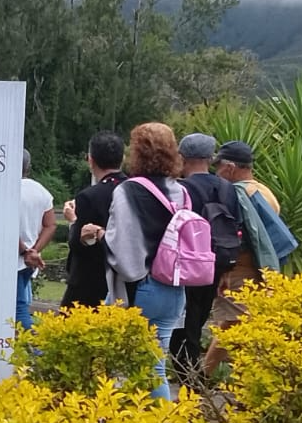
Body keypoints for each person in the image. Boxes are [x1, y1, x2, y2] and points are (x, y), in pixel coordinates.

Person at [104, 122, 187, 401]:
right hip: (175, 285)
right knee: (154, 361)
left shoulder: (128, 190)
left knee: (149, 367)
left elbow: (122, 244)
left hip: (144, 285)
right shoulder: (182, 191)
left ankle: (164, 416)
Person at [203, 140, 281, 377]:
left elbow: (236, 237)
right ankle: (244, 383)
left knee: (230, 327)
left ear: (230, 167)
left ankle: (198, 381)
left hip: (239, 270)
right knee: (245, 330)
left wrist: (224, 272)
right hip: (262, 270)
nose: (218, 172)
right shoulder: (263, 191)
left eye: (219, 167)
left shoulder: (238, 194)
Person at [169, 133, 240, 385]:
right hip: (218, 262)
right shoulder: (227, 188)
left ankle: (188, 379)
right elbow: (236, 225)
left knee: (183, 322)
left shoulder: (181, 188)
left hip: (188, 264)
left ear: (182, 157)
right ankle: (191, 376)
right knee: (197, 320)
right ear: (211, 158)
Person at [60, 131, 126, 309]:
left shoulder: (89, 196)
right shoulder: (132, 190)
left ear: (91, 159)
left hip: (90, 279)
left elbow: (80, 244)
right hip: (124, 276)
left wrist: (73, 221)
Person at [17, 149, 56, 331]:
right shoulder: (41, 191)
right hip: (28, 262)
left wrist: (25, 250)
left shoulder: (6, 189)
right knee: (21, 304)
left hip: (14, 260)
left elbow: (5, 227)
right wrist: (35, 250)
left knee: (18, 309)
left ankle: (34, 349)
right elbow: (50, 225)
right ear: (28, 167)